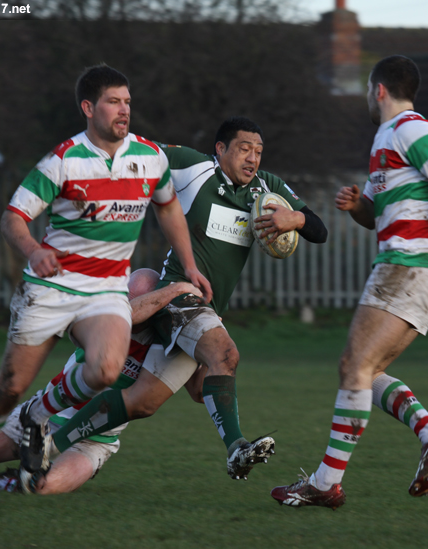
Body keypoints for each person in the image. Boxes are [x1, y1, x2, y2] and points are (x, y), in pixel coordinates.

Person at [0, 65, 211, 509]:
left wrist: (188, 265)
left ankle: (38, 415)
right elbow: (13, 217)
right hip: (51, 288)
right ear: (89, 107)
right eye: (113, 101)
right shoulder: (63, 159)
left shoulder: (149, 156)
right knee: (5, 390)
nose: (124, 110)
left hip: (104, 290)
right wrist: (33, 251)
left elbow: (168, 209)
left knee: (106, 368)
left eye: (127, 101)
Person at [32, 116, 328, 482]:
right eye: (243, 149)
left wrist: (294, 218)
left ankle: (47, 446)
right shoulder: (195, 166)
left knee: (142, 403)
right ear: (220, 150)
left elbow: (320, 229)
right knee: (226, 354)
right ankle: (236, 449)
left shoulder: (267, 191)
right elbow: (141, 155)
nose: (253, 158)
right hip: (180, 296)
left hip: (208, 310)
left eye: (258, 151)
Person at [271, 55, 428, 510]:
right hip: (415, 270)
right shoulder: (385, 140)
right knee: (365, 372)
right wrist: (357, 207)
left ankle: (326, 483)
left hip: (410, 266)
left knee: (352, 365)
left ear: (379, 90)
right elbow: (373, 215)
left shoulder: (411, 129)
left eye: (368, 90)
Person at [0, 270, 206, 502]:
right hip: (39, 422)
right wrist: (174, 289)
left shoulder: (166, 343)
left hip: (94, 442)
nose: (122, 302)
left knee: (43, 487)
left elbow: (196, 393)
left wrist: (208, 353)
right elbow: (131, 312)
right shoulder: (106, 321)